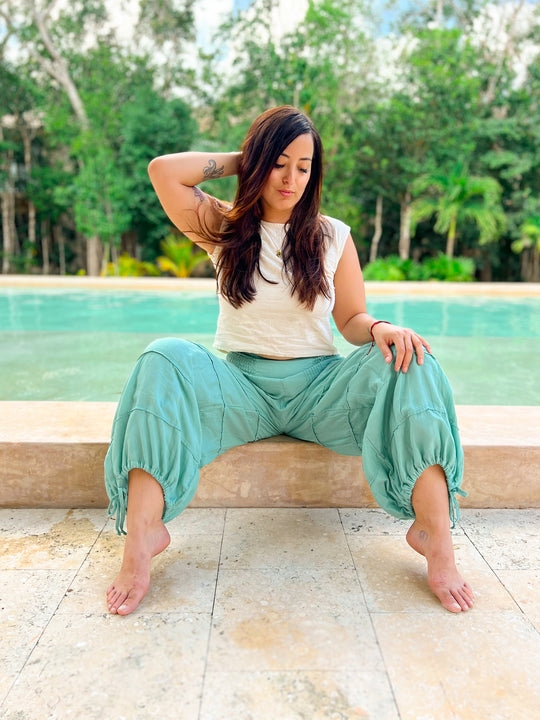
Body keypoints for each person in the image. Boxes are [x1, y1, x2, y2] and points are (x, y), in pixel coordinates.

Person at [105, 105, 474, 617]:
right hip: (240, 389)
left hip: (319, 394)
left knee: (413, 358)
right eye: (279, 162)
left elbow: (351, 319)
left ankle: (434, 535)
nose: (292, 178)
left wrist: (381, 329)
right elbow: (163, 171)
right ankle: (144, 534)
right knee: (160, 356)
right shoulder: (225, 228)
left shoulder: (333, 236)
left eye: (304, 167)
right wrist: (246, 160)